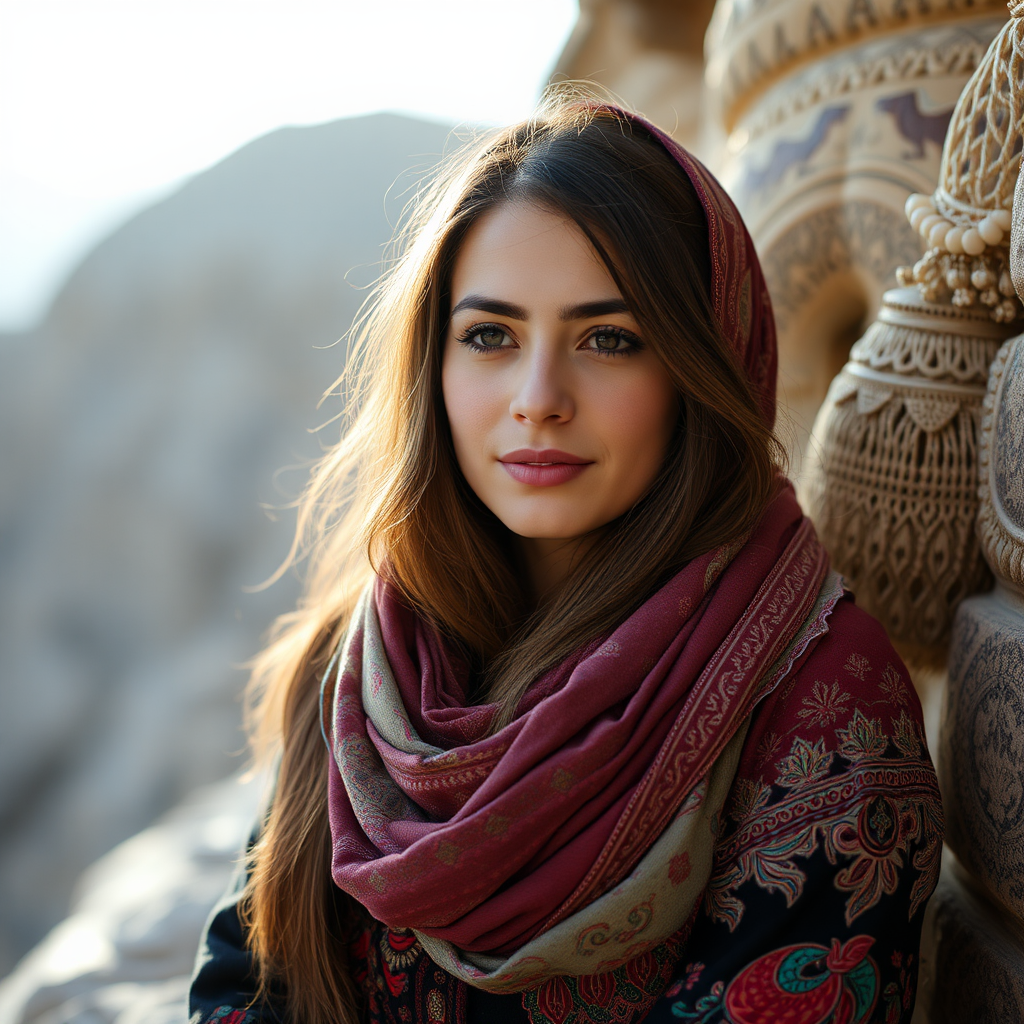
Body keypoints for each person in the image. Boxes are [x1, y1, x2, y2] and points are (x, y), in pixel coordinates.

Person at [189, 93, 942, 1024]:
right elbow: (243, 983)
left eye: (609, 340)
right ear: (435, 366)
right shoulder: (367, 666)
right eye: (491, 337)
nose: (538, 398)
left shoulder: (824, 702)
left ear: (703, 369)